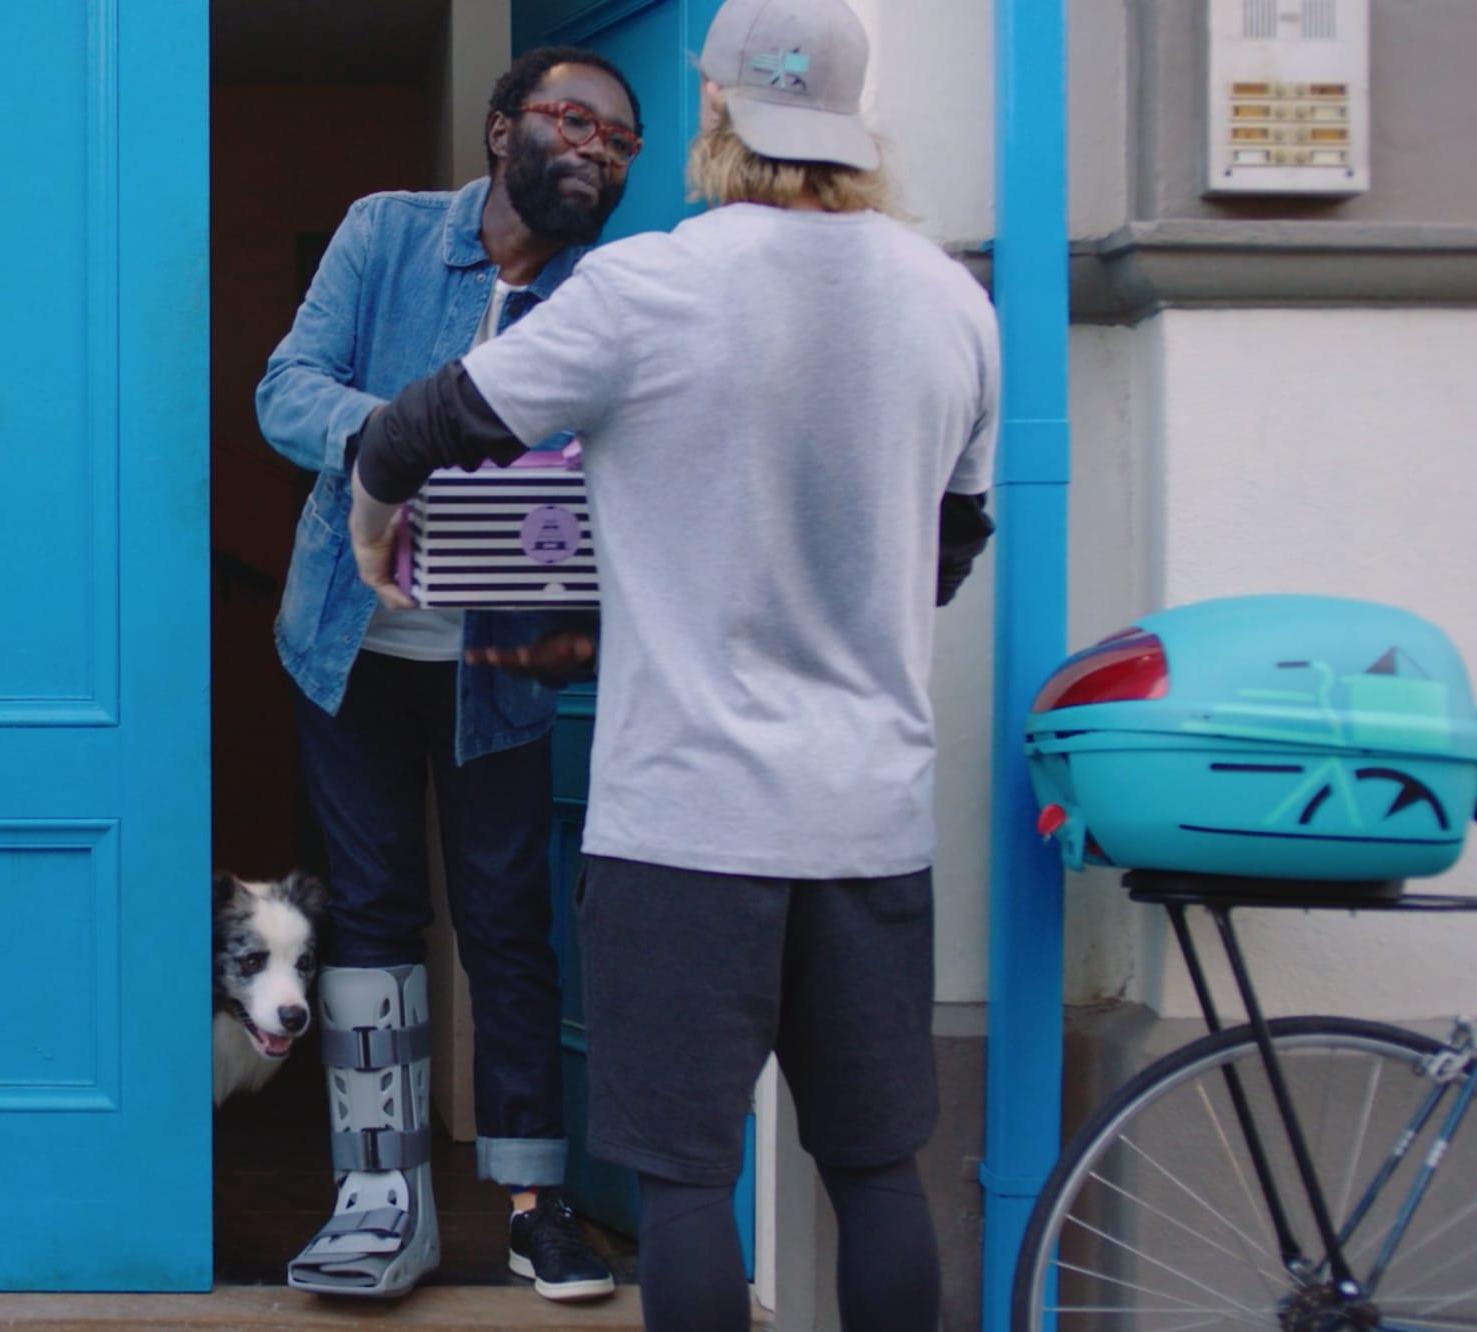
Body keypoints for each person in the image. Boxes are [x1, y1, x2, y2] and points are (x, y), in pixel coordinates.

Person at [339, 1, 1000, 1327]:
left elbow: (423, 428)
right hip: (868, 818)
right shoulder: (952, 301)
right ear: (851, 126)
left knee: (688, 1181)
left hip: (685, 823)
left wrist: (375, 534)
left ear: (713, 117)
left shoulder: (654, 286)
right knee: (876, 1173)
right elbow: (952, 543)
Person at [252, 46, 640, 1302]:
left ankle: (536, 1203)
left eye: (619, 140)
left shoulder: (613, 293)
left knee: (508, 922)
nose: (592, 147)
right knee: (370, 909)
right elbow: (283, 391)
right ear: (499, 130)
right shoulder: (387, 235)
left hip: (513, 653)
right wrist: (406, 442)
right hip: (349, 643)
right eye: (570, 119)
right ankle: (380, 1193)